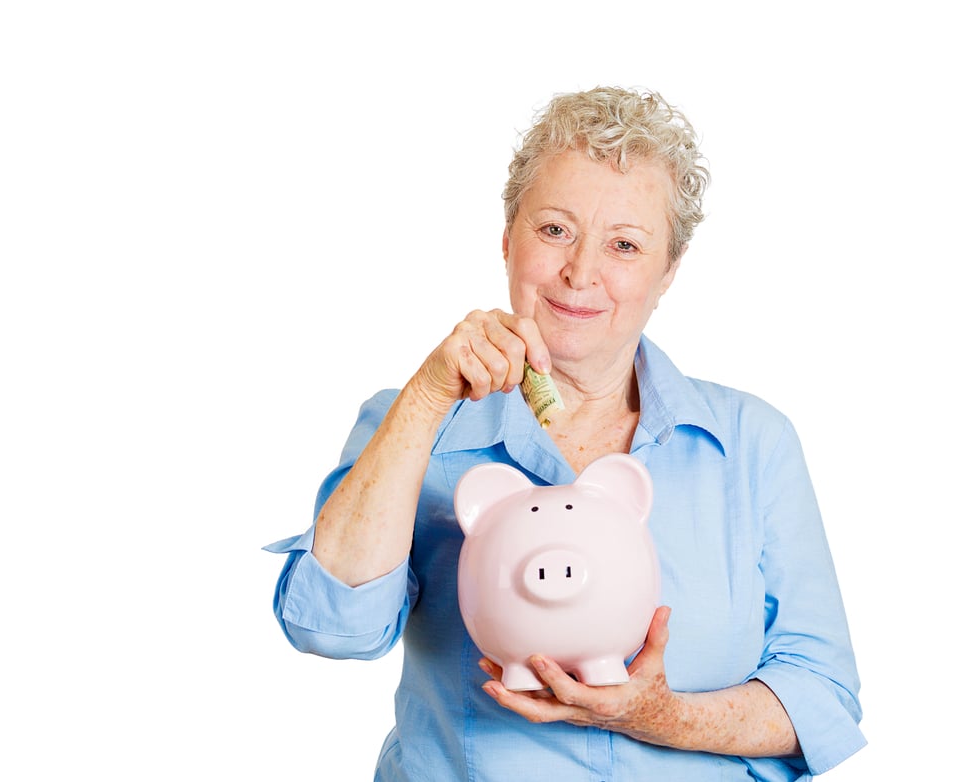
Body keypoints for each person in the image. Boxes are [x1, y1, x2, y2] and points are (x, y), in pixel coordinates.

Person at [265, 86, 865, 780]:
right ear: (506, 238)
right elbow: (331, 627)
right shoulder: (412, 421)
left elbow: (821, 695)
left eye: (625, 245)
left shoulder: (751, 444)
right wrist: (428, 397)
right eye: (555, 230)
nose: (581, 272)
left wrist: (657, 716)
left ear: (668, 270)